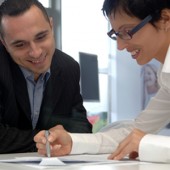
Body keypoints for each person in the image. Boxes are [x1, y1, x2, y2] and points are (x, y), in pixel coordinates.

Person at [34, 0, 170, 163]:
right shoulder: (166, 76)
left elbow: (140, 138)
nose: (120, 46)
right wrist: (72, 143)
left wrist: (148, 143)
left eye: (127, 31)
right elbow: (134, 133)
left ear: (165, 19)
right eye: (116, 34)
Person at [0, 0, 92, 154]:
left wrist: (65, 137)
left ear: (51, 26)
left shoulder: (69, 68)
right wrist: (48, 139)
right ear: (4, 43)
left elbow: (81, 127)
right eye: (20, 45)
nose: (35, 53)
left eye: (41, 37)